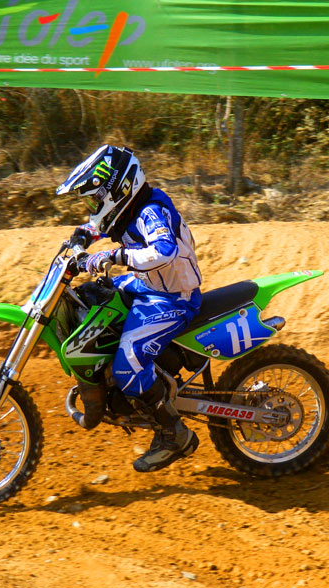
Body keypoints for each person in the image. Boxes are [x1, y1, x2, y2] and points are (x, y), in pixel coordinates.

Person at [56, 144, 202, 472]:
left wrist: (114, 256)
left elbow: (163, 250)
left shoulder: (149, 212)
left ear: (117, 190)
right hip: (147, 285)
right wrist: (81, 237)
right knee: (92, 296)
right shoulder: (130, 208)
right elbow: (100, 226)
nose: (94, 207)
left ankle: (173, 434)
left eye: (96, 200)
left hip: (173, 298)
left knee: (128, 367)